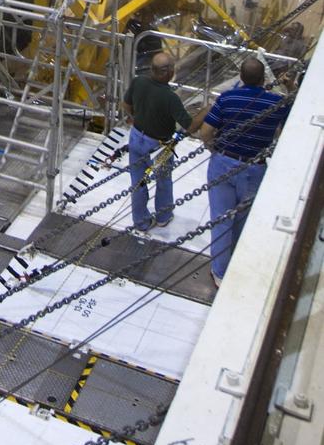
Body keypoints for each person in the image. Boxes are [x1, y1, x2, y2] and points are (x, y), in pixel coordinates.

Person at [197, 55, 289, 288]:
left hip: (223, 164)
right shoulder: (276, 104)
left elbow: (206, 131)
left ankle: (219, 271)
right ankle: (236, 262)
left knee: (221, 219)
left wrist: (213, 149)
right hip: (255, 169)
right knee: (242, 219)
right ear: (263, 78)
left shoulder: (227, 98)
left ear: (241, 77)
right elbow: (285, 131)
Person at [122, 51, 206, 233]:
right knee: (163, 179)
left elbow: (126, 104)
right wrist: (206, 110)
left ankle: (141, 222)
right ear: (168, 72)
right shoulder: (170, 98)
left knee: (137, 182)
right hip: (159, 147)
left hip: (136, 138)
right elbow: (191, 126)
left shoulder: (138, 81)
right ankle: (163, 216)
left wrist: (135, 118)